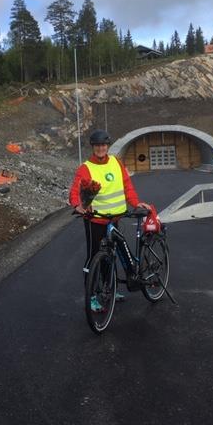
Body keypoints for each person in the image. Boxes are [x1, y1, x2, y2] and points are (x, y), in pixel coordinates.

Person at [69, 129, 151, 307]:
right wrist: (78, 206)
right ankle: (92, 297)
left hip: (114, 219)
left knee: (111, 256)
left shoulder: (115, 162)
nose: (101, 148)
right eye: (97, 145)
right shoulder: (86, 168)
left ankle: (110, 289)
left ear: (107, 146)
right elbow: (75, 192)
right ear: (93, 147)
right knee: (94, 257)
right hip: (95, 220)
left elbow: (127, 185)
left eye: (104, 145)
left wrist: (136, 203)